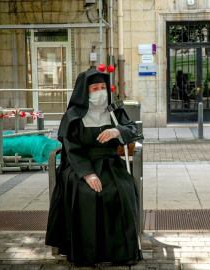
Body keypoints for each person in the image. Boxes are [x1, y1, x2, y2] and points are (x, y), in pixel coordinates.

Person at [45, 69, 142, 266]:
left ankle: (119, 251)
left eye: (103, 88)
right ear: (85, 92)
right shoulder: (73, 116)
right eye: (95, 88)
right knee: (86, 193)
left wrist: (118, 131)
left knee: (119, 190)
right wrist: (87, 174)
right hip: (79, 165)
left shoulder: (114, 111)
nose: (101, 92)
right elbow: (71, 150)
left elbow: (133, 130)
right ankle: (88, 252)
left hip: (111, 163)